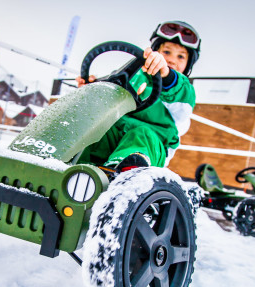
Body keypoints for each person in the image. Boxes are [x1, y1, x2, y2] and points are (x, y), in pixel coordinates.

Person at [76, 21, 200, 175]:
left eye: (180, 56)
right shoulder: (132, 76)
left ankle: (123, 172)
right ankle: (74, 170)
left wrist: (166, 74)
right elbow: (110, 96)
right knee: (95, 133)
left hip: (151, 145)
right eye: (166, 52)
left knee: (142, 135)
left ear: (188, 65)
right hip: (116, 131)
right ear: (154, 52)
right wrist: (93, 88)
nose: (172, 60)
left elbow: (179, 92)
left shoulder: (181, 90)